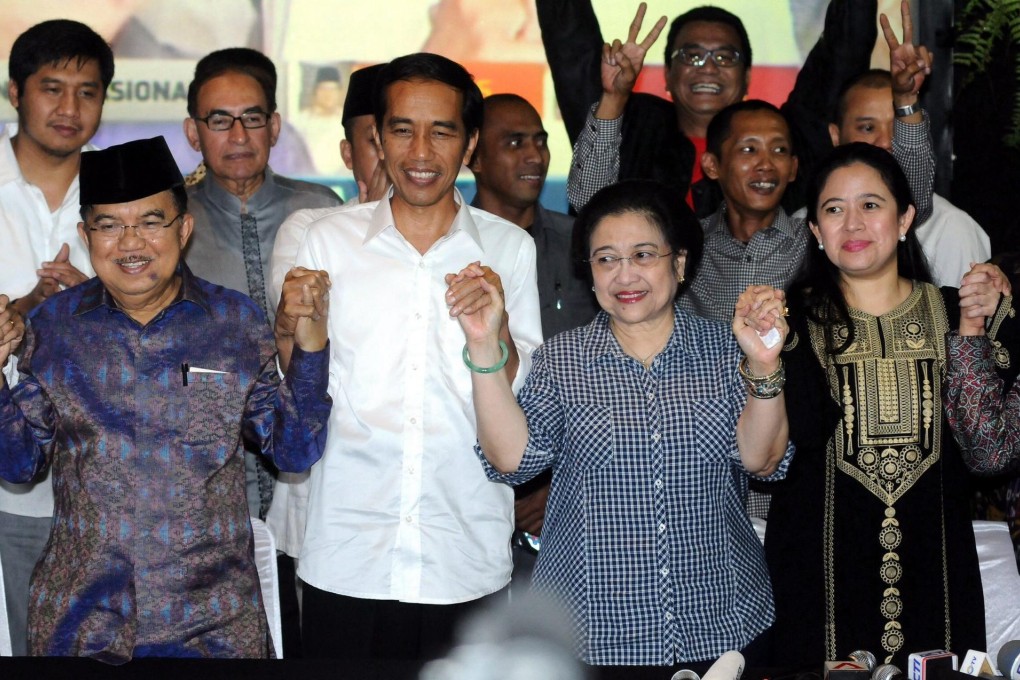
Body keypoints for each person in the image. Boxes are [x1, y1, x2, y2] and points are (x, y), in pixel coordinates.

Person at [0, 136, 332, 661]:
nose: (131, 243)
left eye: (151, 222)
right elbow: (18, 464)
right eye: (109, 225)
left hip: (214, 628)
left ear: (184, 228)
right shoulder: (54, 327)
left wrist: (310, 348)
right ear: (86, 236)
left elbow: (293, 451)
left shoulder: (233, 323)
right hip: (82, 624)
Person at [456, 179, 793, 673]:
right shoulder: (563, 361)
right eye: (606, 259)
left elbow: (762, 461)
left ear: (679, 263)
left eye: (643, 255)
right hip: (592, 633)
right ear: (590, 273)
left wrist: (763, 365)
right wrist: (485, 346)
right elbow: (512, 461)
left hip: (721, 621)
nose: (625, 274)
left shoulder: (727, 350)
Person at [285, 53, 542, 662]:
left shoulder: (508, 248)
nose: (420, 151)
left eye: (442, 131)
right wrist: (289, 331)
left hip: (464, 549)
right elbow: (299, 394)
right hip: (348, 548)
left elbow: (522, 398)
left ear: (470, 143)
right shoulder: (328, 241)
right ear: (377, 138)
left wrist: (496, 332)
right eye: (402, 130)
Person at [765, 142, 1014, 667]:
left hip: (938, 580)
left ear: (905, 219)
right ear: (816, 231)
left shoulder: (963, 313)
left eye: (871, 205)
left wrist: (973, 332)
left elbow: (990, 454)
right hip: (817, 584)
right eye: (834, 209)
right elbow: (766, 458)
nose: (852, 223)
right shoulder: (784, 329)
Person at [182, 47, 342, 521]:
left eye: (252, 119)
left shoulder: (321, 210)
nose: (238, 135)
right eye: (219, 120)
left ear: (273, 127)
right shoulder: (169, 223)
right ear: (193, 132)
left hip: (319, 462)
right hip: (208, 478)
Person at [536, 0, 877, 215]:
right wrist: (613, 96)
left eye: (725, 57)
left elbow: (842, 53)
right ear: (667, 74)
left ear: (747, 78)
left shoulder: (784, 142)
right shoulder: (630, 126)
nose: (709, 68)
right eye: (692, 56)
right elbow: (571, 45)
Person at [0, 18, 113, 657]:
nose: (70, 108)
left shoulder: (123, 195)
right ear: (16, 92)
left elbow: (164, 323)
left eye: (87, 92)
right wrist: (26, 310)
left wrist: (90, 305)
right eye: (52, 88)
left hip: (107, 487)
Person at [467, 92, 600, 593]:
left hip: (577, 491)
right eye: (514, 142)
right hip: (470, 485)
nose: (534, 155)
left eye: (540, 142)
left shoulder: (584, 245)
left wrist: (551, 480)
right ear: (474, 155)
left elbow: (606, 369)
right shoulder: (451, 249)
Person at [828, 69, 991, 287]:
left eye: (898, 127)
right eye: (868, 128)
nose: (885, 142)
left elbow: (972, 306)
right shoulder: (804, 223)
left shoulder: (951, 228)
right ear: (836, 136)